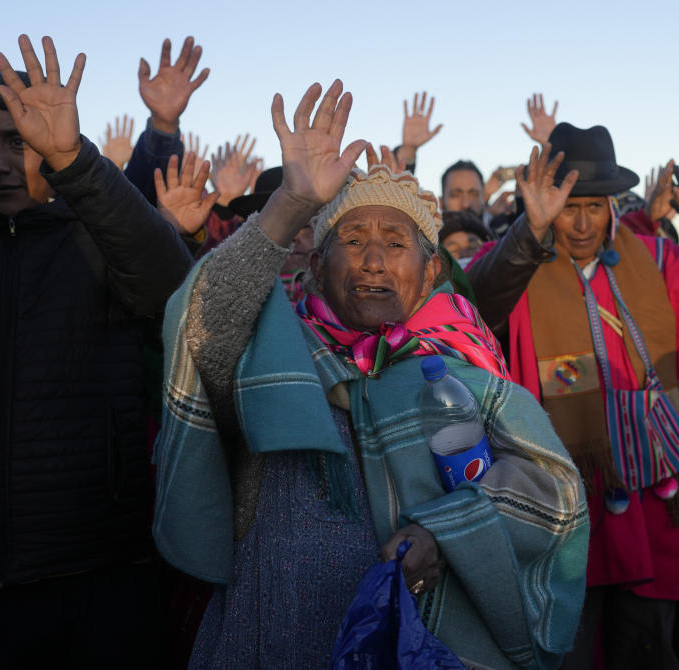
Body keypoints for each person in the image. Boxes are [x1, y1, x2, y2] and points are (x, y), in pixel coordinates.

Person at [152, 79, 589, 670]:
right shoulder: (274, 355)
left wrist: (444, 533)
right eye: (352, 240)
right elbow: (203, 322)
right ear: (314, 265)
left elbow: (550, 488)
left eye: (395, 242)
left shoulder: (463, 370)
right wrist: (290, 205)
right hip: (272, 635)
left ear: (431, 269)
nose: (374, 261)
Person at [467, 122, 679, 669]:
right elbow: (478, 309)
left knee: (646, 643)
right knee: (568, 644)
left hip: (651, 490)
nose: (581, 223)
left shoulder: (656, 261)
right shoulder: (515, 266)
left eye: (595, 206)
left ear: (612, 206)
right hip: (562, 495)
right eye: (566, 206)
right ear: (544, 203)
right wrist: (528, 233)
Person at [0, 35, 195, 668]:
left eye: (15, 142)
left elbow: (171, 288)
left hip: (98, 574)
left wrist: (76, 161)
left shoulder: (98, 240)